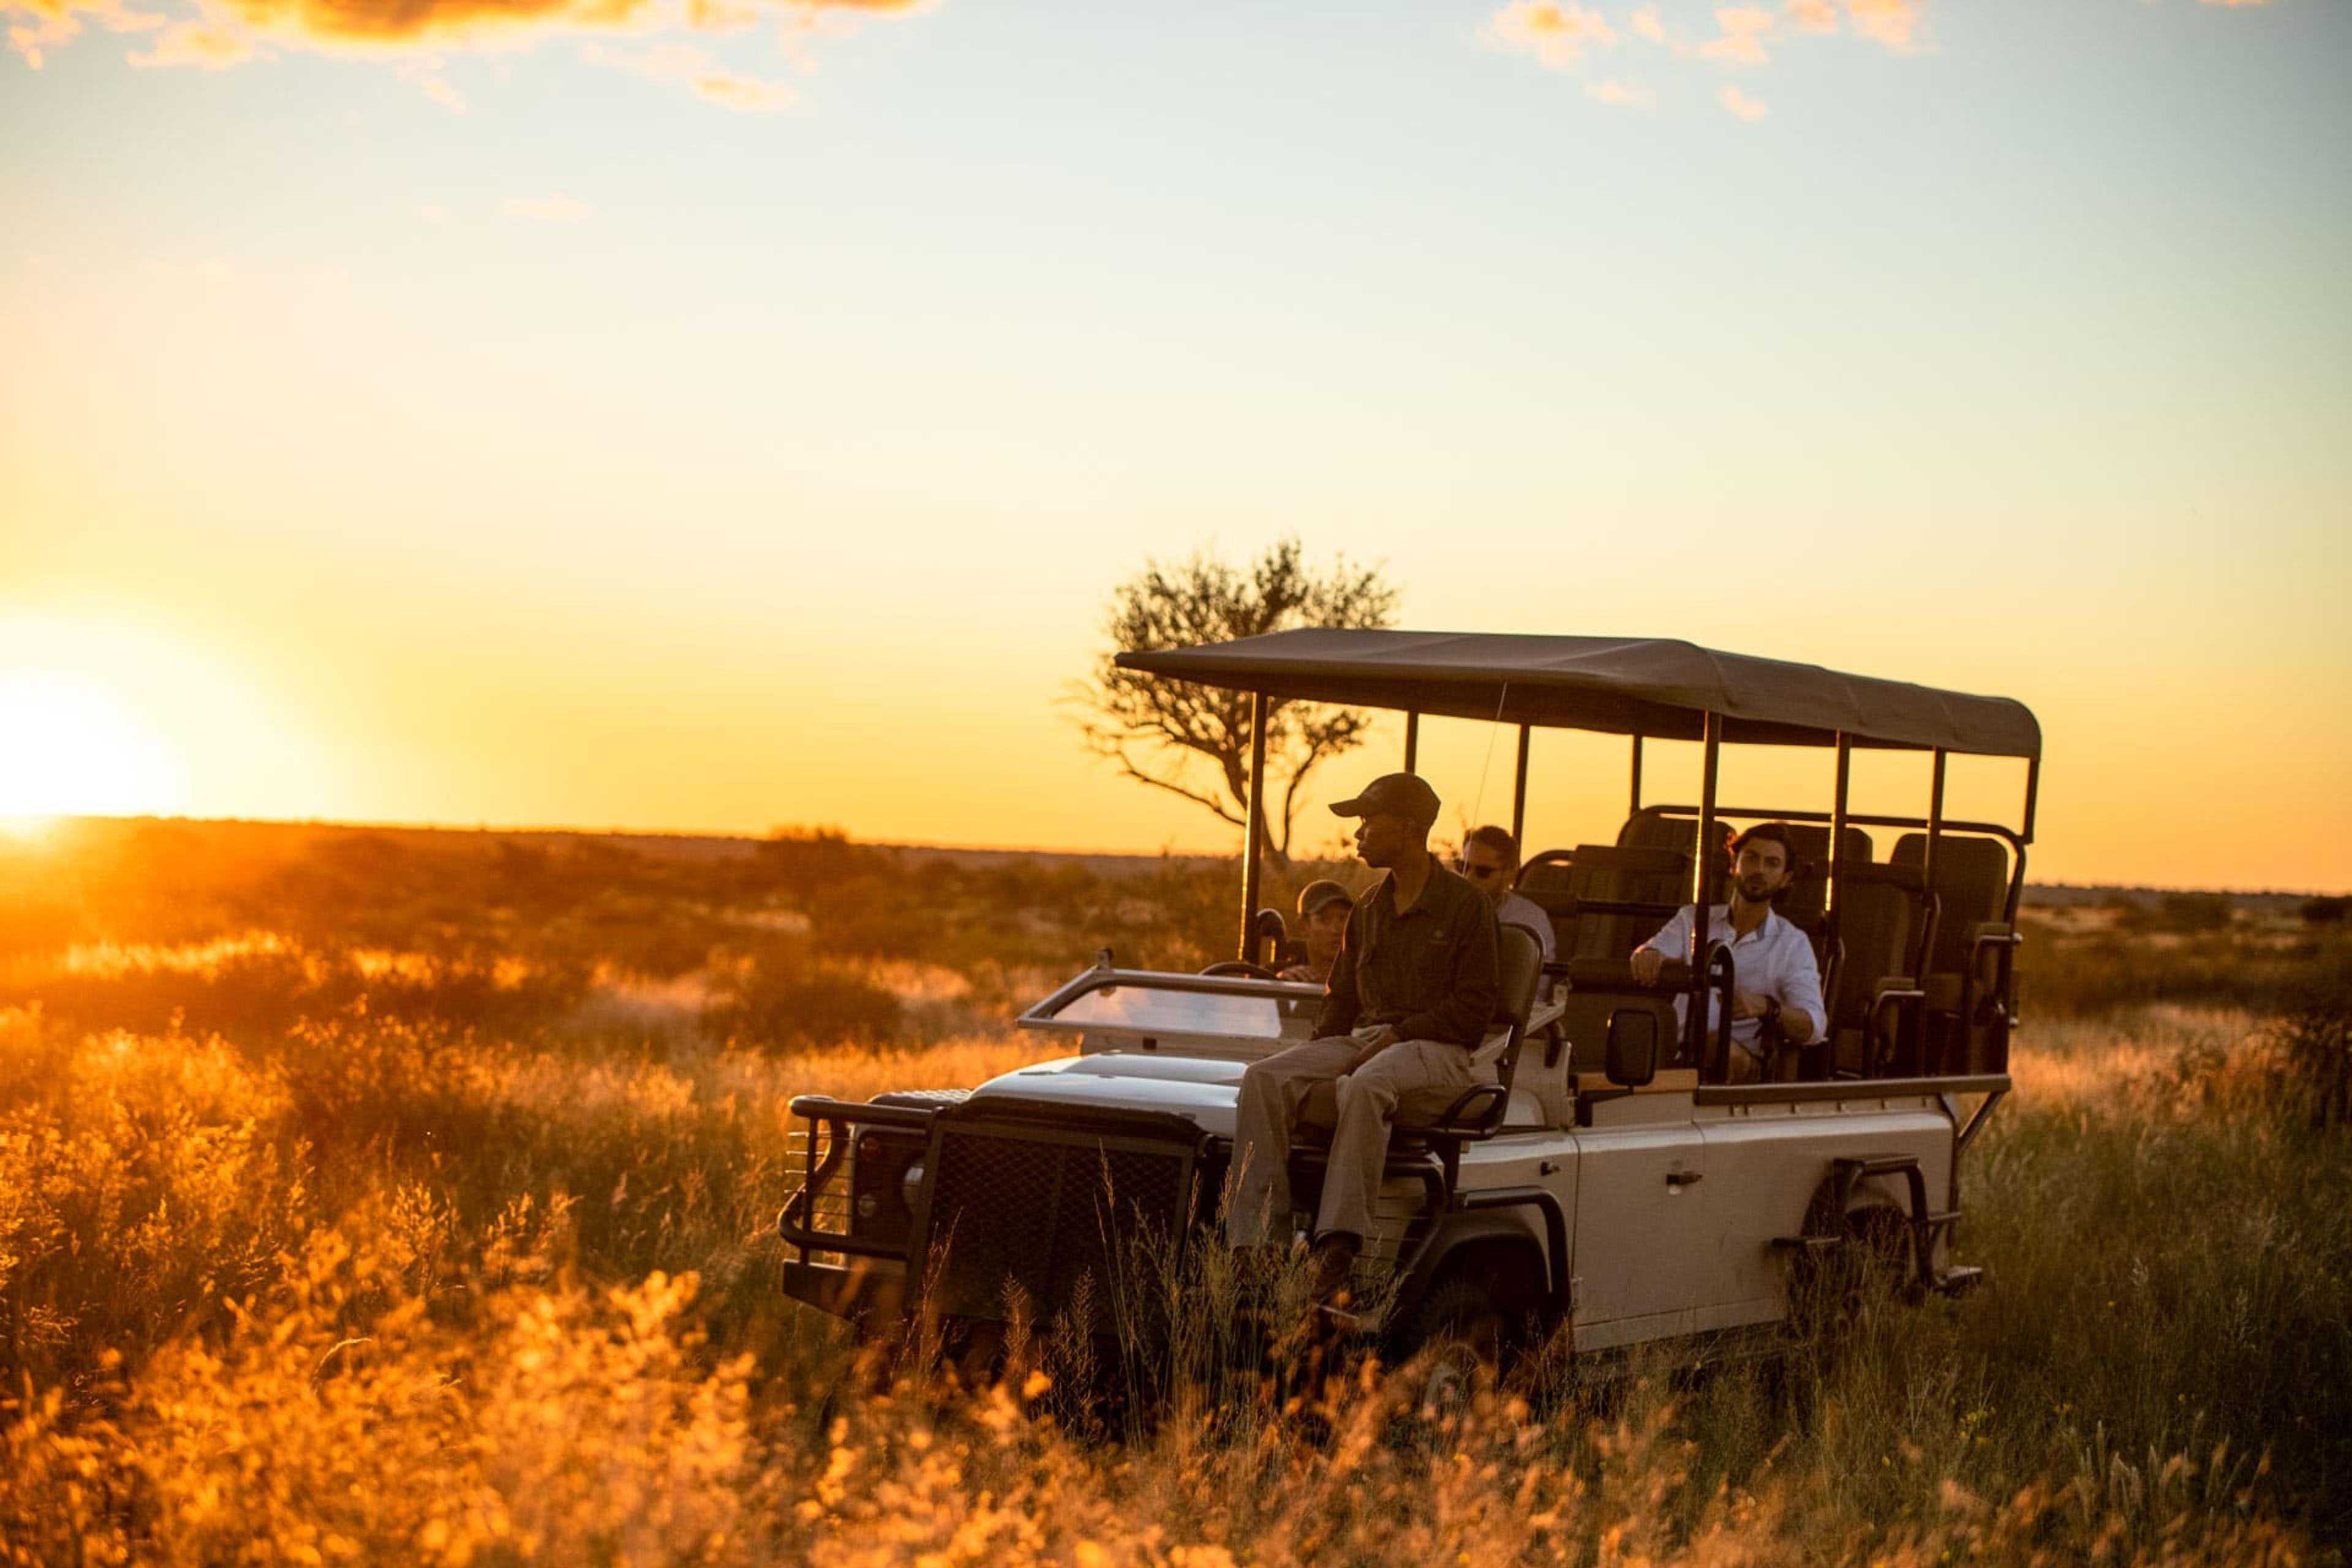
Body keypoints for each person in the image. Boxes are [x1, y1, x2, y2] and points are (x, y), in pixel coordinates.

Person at [1226, 772, 1501, 1303]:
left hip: (1440, 1050)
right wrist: (1317, 1054)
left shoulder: (1467, 907)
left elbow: (1471, 1012)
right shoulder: (1370, 908)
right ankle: (1256, 1246)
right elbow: (1342, 1001)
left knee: (1367, 1083)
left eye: (1368, 823)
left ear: (1408, 827)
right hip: (1372, 1037)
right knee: (1263, 1077)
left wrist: (1398, 1034)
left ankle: (1338, 1246)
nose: (1358, 836)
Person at [1629, 821, 1824, 1083]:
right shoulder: (1692, 919)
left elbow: (1814, 1026)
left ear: (1786, 879)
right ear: (1734, 865)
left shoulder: (1793, 944)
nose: (1759, 870)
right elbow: (1650, 953)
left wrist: (1766, 1007)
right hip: (1673, 1055)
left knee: (1717, 1048)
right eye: (1752, 859)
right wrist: (1648, 955)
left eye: (1772, 863)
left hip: (1741, 1065)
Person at [1458, 824, 1557, 971]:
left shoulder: (1529, 921)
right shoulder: (1443, 910)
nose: (1469, 878)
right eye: (1463, 867)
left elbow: (1532, 989)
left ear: (1510, 874)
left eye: (1483, 872)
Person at [1281, 879, 1354, 985]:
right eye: (1324, 919)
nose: (1335, 930)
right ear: (1303, 926)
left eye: (1343, 919)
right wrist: (1278, 983)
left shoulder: (1364, 979)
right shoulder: (1282, 975)